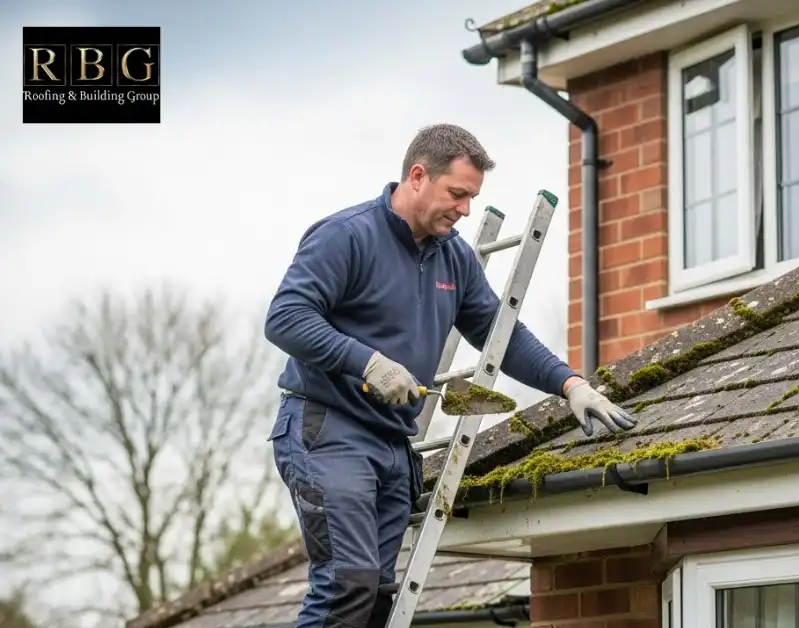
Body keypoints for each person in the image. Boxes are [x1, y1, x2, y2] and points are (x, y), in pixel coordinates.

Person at [262, 123, 636, 628]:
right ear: (418, 176)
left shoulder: (454, 257)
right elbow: (285, 318)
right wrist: (368, 362)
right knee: (347, 582)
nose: (465, 210)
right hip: (329, 430)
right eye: (457, 194)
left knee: (375, 599)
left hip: (392, 443)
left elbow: (501, 336)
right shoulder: (347, 235)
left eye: (472, 198)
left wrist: (570, 384)